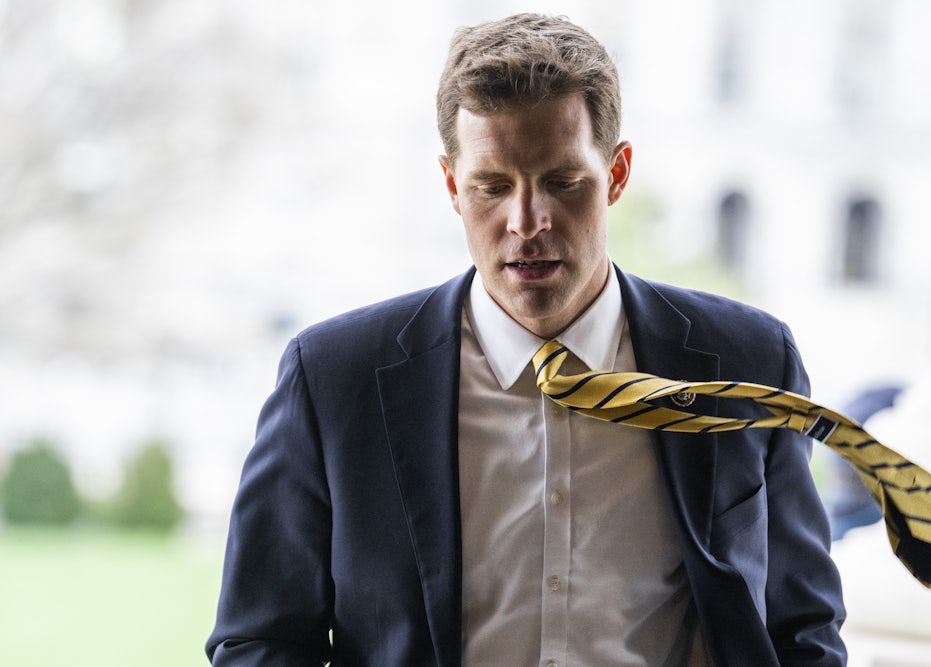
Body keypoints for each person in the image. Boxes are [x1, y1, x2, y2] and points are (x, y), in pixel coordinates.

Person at [206, 12, 847, 666]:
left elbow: (803, 631)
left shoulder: (751, 361)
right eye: (492, 186)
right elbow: (259, 639)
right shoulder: (334, 379)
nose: (527, 222)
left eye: (563, 183)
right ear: (453, 185)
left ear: (618, 175)